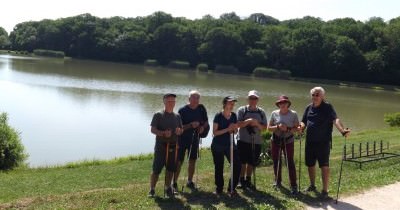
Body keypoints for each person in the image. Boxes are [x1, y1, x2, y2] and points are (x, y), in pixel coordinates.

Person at [299, 87, 350, 199]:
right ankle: (312, 185)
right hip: (310, 141)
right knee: (310, 164)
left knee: (324, 166)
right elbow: (304, 121)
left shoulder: (327, 107)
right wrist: (301, 127)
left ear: (322, 96)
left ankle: (325, 190)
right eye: (313, 94)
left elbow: (335, 119)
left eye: (317, 95)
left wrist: (342, 131)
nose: (315, 97)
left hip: (323, 142)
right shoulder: (309, 107)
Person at [148, 93, 183, 198]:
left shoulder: (177, 116)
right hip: (161, 146)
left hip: (173, 146)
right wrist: (163, 133)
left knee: (171, 169)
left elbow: (181, 130)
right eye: (169, 101)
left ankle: (168, 188)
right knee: (156, 169)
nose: (171, 103)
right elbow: (153, 130)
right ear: (164, 101)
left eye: (173, 101)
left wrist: (179, 131)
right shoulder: (158, 115)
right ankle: (152, 189)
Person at [173, 90, 209, 191]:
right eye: (193, 97)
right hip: (182, 139)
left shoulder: (201, 109)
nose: (196, 99)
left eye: (197, 97)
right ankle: (174, 182)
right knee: (179, 161)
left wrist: (202, 127)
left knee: (192, 160)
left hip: (195, 139)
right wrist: (190, 125)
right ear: (189, 99)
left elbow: (206, 122)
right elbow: (178, 128)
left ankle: (189, 181)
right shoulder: (182, 110)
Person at [268, 95, 300, 194]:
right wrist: (278, 126)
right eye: (281, 103)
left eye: (284, 102)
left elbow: (298, 129)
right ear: (278, 104)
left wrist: (288, 129)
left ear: (288, 104)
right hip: (276, 140)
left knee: (290, 162)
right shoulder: (274, 113)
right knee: (276, 161)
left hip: (288, 140)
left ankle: (293, 185)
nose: (282, 104)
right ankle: (277, 181)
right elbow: (269, 128)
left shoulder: (293, 114)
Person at [237, 90, 267, 189]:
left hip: (256, 141)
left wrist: (257, 124)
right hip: (243, 140)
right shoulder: (242, 110)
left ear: (257, 99)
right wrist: (249, 121)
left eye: (255, 98)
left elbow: (264, 128)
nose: (253, 100)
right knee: (242, 161)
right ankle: (241, 180)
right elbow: (238, 124)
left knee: (252, 161)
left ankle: (248, 179)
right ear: (248, 99)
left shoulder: (261, 112)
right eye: (251, 98)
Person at [211, 96, 241, 196]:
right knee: (219, 167)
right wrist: (227, 129)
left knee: (237, 165)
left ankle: (231, 188)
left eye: (233, 103)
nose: (232, 105)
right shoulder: (218, 116)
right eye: (230, 103)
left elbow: (235, 131)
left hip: (230, 145)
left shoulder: (234, 116)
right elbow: (215, 133)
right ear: (224, 104)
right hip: (217, 145)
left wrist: (234, 129)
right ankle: (219, 188)